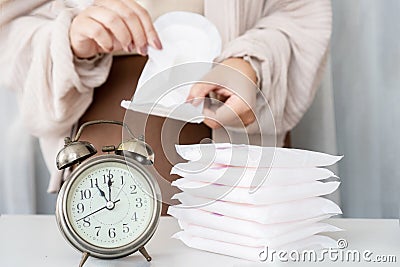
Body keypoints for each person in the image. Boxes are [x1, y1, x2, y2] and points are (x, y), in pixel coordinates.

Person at [0, 0, 332, 213]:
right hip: (106, 147)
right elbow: (10, 23)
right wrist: (68, 38)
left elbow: (298, 12)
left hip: (242, 130)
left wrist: (253, 63)